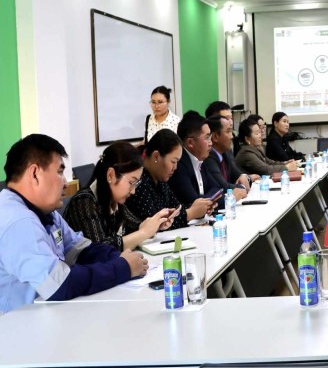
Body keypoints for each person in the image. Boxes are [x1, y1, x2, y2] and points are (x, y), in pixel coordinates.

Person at [0, 134, 147, 315]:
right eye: (60, 172)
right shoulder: (17, 221)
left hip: (47, 316)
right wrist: (123, 268)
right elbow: (61, 284)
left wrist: (120, 257)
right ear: (35, 173)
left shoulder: (46, 213)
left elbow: (80, 250)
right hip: (18, 326)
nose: (65, 183)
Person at [65, 142, 180, 251]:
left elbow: (136, 226)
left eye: (136, 184)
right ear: (111, 175)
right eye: (131, 182)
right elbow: (100, 250)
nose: (133, 191)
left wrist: (156, 224)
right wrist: (144, 233)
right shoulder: (83, 202)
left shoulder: (115, 201)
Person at [126, 129, 213, 228]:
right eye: (173, 162)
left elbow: (176, 208)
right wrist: (191, 213)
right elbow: (155, 225)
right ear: (156, 156)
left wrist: (200, 207)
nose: (175, 168)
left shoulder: (160, 179)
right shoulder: (139, 182)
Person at [202, 115, 257, 201]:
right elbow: (223, 187)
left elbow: (240, 175)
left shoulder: (226, 153)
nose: (232, 136)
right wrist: (243, 186)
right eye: (228, 131)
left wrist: (244, 177)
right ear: (215, 137)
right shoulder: (209, 157)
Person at [169, 111, 216, 204]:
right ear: (190, 142)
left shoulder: (201, 159)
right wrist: (212, 199)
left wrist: (207, 200)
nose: (211, 143)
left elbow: (217, 188)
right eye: (207, 138)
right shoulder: (179, 165)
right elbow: (194, 202)